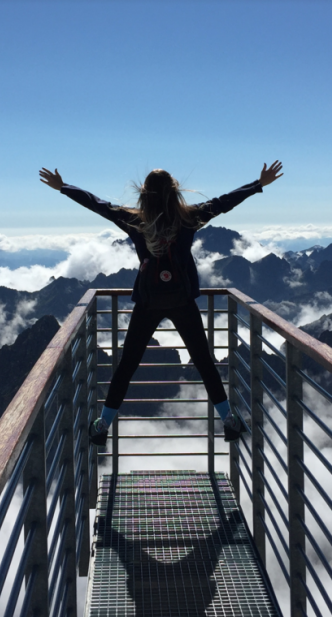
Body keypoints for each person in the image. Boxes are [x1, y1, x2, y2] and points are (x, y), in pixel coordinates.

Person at [39, 161, 283, 445]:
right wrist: (258, 184)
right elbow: (224, 202)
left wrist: (63, 187)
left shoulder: (134, 220)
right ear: (175, 191)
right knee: (204, 362)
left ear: (144, 194)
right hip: (182, 301)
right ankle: (229, 419)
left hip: (148, 302)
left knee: (127, 364)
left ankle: (103, 424)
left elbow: (98, 205)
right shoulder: (189, 218)